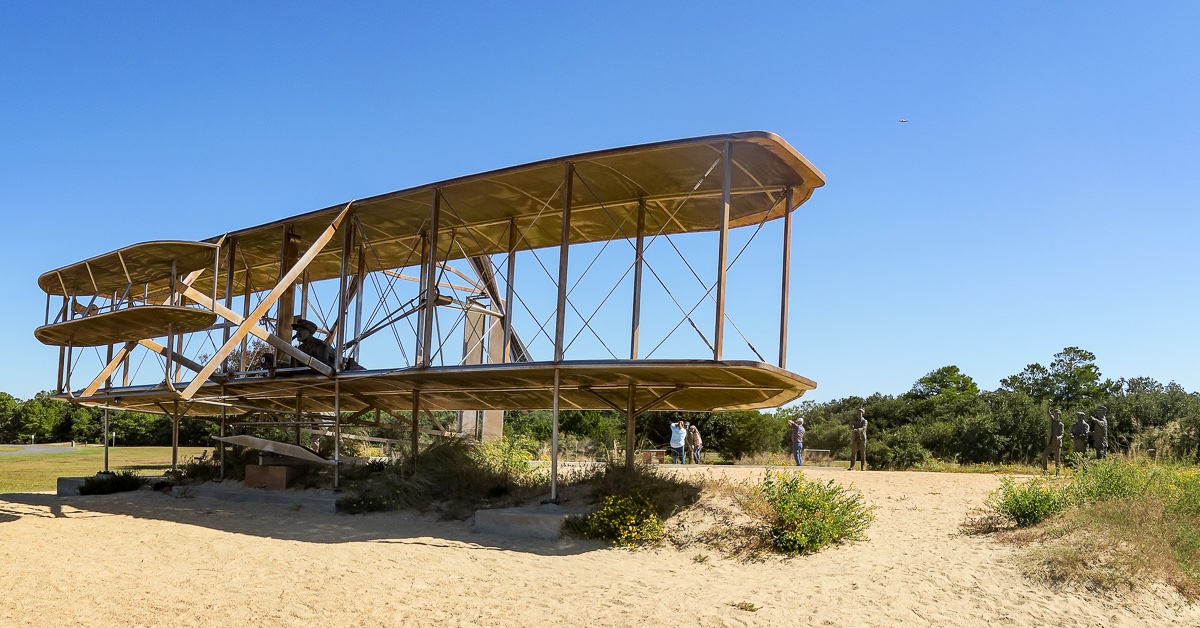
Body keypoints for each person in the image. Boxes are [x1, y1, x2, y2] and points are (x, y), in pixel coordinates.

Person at [1041, 408, 1065, 475]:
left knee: (1057, 459)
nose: (1056, 415)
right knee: (1044, 456)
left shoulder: (1061, 424)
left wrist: (1059, 437)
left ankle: (1057, 473)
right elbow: (1048, 412)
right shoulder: (1052, 421)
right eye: (1055, 414)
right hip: (1050, 443)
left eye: (1058, 414)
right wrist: (1048, 405)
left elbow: (1062, 433)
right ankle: (1045, 472)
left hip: (1057, 443)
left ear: (1060, 415)